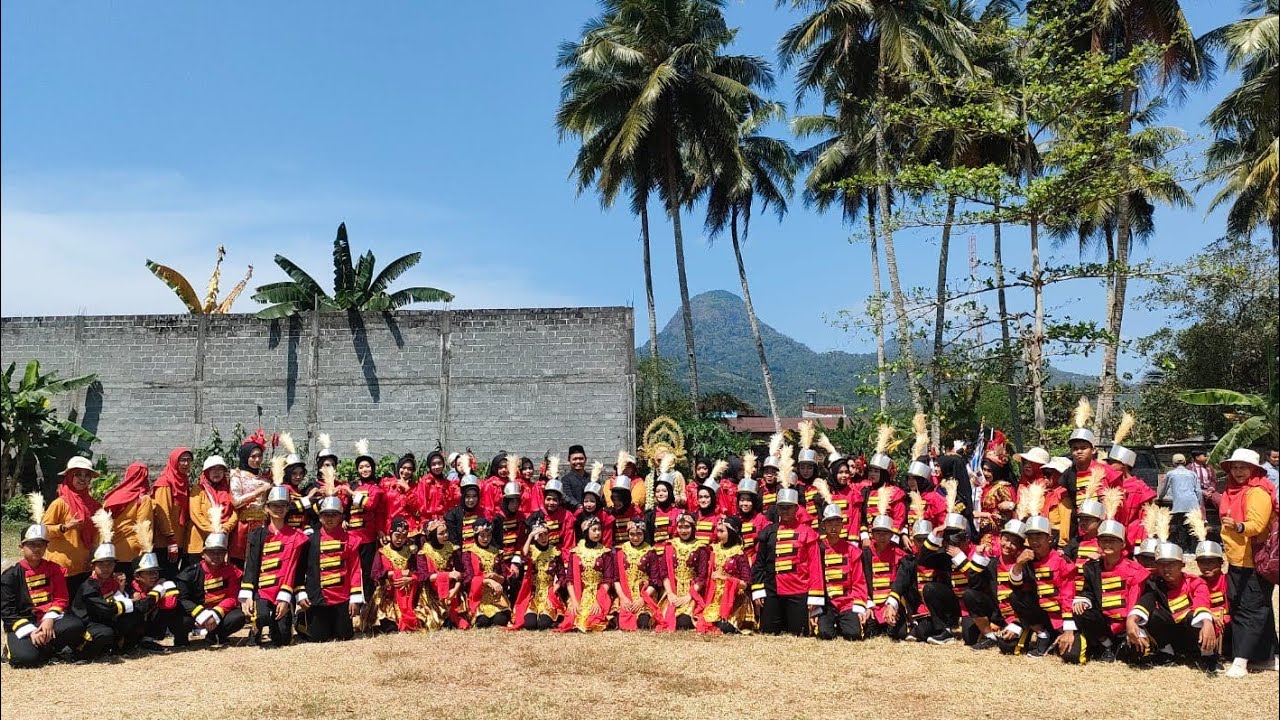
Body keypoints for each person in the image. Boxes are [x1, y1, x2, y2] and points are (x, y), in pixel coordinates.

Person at [1215, 448, 1277, 678]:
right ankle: (1267, 657)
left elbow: (1257, 525)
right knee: (1256, 607)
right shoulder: (1231, 491)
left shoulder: (1257, 492)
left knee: (1250, 610)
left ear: (1254, 470)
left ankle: (1241, 661)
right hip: (1236, 559)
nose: (1238, 471)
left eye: (1244, 467)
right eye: (1235, 467)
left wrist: (1239, 526)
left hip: (1253, 560)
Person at [1, 516, 87, 668]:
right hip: (24, 623)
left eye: (41, 544)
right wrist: (32, 631)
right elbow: (7, 612)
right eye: (32, 545)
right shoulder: (9, 576)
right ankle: (12, 648)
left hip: (48, 620)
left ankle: (44, 645)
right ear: (21, 546)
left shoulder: (55, 569)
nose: (37, 549)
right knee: (26, 659)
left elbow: (61, 598)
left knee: (75, 625)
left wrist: (49, 619)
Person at [1127, 542, 1219, 674]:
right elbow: (1146, 601)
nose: (1166, 569)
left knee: (1193, 616)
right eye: (1162, 564)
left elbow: (1202, 603)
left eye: (1171, 564)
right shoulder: (1155, 583)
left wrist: (1207, 622)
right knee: (1153, 615)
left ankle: (1207, 654)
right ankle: (1167, 652)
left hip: (1193, 634)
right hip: (1171, 634)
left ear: (1182, 565)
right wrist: (1131, 619)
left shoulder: (1194, 582)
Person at [751, 468, 823, 637]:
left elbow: (815, 567)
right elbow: (759, 563)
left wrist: (814, 597)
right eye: (782, 508)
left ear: (796, 508)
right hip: (772, 590)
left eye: (789, 508)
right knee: (769, 631)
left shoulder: (807, 532)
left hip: (799, 591)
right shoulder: (768, 532)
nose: (785, 511)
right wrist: (759, 589)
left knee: (799, 633)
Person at [239, 482, 305, 647]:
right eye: (274, 505)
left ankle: (284, 623)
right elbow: (252, 566)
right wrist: (247, 595)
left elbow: (295, 570)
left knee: (282, 639)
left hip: (284, 591)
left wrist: (288, 598)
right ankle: (256, 627)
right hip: (263, 590)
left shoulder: (298, 536)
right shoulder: (258, 535)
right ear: (267, 508)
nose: (279, 509)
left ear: (288, 508)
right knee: (262, 617)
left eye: (283, 505)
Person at [72, 515, 149, 658]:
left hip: (105, 619)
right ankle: (82, 653)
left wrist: (121, 590)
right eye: (101, 564)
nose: (106, 568)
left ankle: (120, 648)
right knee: (106, 632)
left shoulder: (112, 581)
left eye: (110, 564)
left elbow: (114, 603)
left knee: (134, 618)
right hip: (90, 623)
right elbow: (106, 609)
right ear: (93, 566)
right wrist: (132, 602)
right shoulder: (88, 586)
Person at [1008, 514, 1082, 662]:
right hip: (1042, 615)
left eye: (1039, 537)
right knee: (1016, 597)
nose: (1034, 541)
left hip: (1061, 616)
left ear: (1049, 538)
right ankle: (1042, 634)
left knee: (1071, 655)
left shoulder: (1061, 561)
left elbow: (1068, 594)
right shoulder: (1027, 560)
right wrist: (1018, 564)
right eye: (1031, 537)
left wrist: (1068, 629)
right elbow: (1016, 586)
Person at [1075, 514, 1149, 661]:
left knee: (1137, 657)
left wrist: (1131, 624)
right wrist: (1083, 600)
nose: (1107, 544)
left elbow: (1135, 599)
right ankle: (1106, 644)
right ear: (1098, 543)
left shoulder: (1135, 570)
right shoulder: (1091, 567)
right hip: (1103, 622)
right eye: (1104, 540)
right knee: (1081, 611)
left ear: (1122, 544)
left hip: (1127, 622)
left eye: (1113, 541)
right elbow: (1088, 591)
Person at [297, 492, 363, 642]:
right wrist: (300, 593)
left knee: (344, 636)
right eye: (326, 515)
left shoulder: (350, 540)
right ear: (320, 517)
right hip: (318, 597)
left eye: (334, 514)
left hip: (342, 597)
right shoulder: (310, 540)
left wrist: (355, 599)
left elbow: (355, 570)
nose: (330, 518)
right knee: (318, 638)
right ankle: (302, 619)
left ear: (341, 517)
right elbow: (300, 570)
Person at [175, 525, 246, 647]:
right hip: (195, 613)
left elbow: (233, 597)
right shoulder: (190, 573)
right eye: (212, 552)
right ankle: (181, 639)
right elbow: (182, 599)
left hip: (219, 613)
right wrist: (202, 615)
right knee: (180, 619)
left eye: (220, 552)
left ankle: (216, 635)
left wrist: (216, 613)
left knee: (238, 617)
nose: (216, 556)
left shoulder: (232, 571)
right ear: (203, 554)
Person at [41, 456, 103, 596]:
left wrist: (94, 557)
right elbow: (43, 530)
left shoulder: (94, 505)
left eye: (87, 475)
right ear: (69, 476)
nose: (83, 479)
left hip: (85, 567)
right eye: (78, 474)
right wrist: (64, 527)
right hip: (62, 568)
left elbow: (98, 536)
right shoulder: (60, 503)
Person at [369, 517, 433, 633]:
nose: (400, 540)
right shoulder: (382, 552)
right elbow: (375, 574)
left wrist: (410, 579)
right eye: (397, 536)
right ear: (391, 533)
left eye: (404, 537)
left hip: (409, 594)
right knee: (390, 627)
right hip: (388, 596)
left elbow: (419, 573)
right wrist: (394, 574)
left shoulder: (411, 552)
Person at [815, 505, 868, 641]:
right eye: (830, 522)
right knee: (825, 635)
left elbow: (859, 581)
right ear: (823, 525)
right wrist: (814, 607)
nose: (833, 527)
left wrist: (859, 607)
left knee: (853, 635)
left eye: (837, 523)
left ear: (842, 525)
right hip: (826, 603)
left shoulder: (852, 550)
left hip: (846, 603)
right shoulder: (817, 548)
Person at [128, 528, 182, 651]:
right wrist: (158, 590)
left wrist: (163, 588)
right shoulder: (128, 589)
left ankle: (148, 640)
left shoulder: (163, 584)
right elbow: (143, 607)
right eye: (149, 573)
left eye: (156, 572)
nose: (154, 576)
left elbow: (170, 605)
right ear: (137, 576)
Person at [696, 516, 752, 634]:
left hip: (734, 599)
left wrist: (725, 578)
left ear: (731, 533)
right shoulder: (714, 549)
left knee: (724, 627)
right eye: (718, 530)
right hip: (715, 598)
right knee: (705, 623)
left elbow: (746, 584)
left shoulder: (739, 554)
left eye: (722, 531)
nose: (718, 534)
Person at [558, 516, 614, 632]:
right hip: (580, 593)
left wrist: (598, 600)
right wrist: (573, 601)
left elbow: (608, 580)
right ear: (585, 531)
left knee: (594, 619)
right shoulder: (575, 552)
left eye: (599, 529)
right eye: (594, 530)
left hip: (600, 593)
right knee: (574, 617)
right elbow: (569, 580)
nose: (597, 533)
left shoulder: (605, 553)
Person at [861, 511, 911, 640]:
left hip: (891, 603)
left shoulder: (901, 556)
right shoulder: (864, 554)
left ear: (891, 535)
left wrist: (893, 605)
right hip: (871, 604)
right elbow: (860, 581)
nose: (882, 537)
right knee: (868, 633)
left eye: (886, 533)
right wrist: (867, 604)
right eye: (878, 533)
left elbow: (901, 584)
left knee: (898, 634)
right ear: (872, 534)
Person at [101, 462, 153, 583]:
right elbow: (144, 526)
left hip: (112, 552)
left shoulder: (112, 496)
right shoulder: (143, 499)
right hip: (133, 553)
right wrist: (146, 551)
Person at [458, 518, 513, 629]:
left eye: (488, 536)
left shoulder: (497, 552)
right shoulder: (469, 553)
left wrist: (496, 577)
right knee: (482, 622)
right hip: (478, 596)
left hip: (496, 597)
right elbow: (468, 578)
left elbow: (505, 578)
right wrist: (487, 580)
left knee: (500, 620)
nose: (485, 539)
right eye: (482, 535)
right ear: (476, 536)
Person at [511, 522, 564, 631]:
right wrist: (530, 536)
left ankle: (551, 617)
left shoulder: (555, 552)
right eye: (540, 535)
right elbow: (523, 555)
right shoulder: (531, 550)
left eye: (545, 534)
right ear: (535, 537)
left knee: (542, 625)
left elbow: (562, 575)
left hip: (549, 593)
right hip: (533, 593)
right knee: (530, 625)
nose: (543, 538)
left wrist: (555, 588)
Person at [614, 518, 664, 631]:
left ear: (644, 534)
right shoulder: (621, 551)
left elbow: (655, 580)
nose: (635, 538)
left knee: (643, 623)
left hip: (645, 595)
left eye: (639, 534)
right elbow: (616, 579)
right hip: (625, 595)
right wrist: (622, 598)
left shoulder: (650, 552)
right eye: (632, 534)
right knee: (617, 621)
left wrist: (642, 599)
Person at [150, 447, 192, 577]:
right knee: (165, 579)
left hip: (178, 541)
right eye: (182, 460)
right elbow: (162, 513)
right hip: (165, 543)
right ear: (174, 461)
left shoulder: (183, 481)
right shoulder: (165, 482)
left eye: (189, 460)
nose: (186, 464)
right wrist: (170, 539)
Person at [662, 513, 707, 631]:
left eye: (687, 527)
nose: (683, 530)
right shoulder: (670, 545)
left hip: (692, 591)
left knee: (684, 622)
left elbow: (702, 576)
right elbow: (664, 573)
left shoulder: (700, 547)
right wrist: (670, 593)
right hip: (673, 589)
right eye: (680, 527)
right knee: (665, 618)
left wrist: (689, 596)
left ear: (693, 528)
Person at [187, 455, 238, 561]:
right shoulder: (198, 490)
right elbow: (195, 514)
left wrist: (225, 528)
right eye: (213, 469)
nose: (216, 472)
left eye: (220, 469)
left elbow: (235, 511)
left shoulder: (230, 490)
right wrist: (213, 529)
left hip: (223, 538)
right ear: (206, 472)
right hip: (200, 541)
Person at [229, 438, 271, 565]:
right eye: (253, 456)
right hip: (244, 526)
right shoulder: (237, 476)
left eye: (259, 456)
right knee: (240, 563)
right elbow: (236, 502)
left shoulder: (265, 477)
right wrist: (258, 492)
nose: (257, 460)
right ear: (245, 457)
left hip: (262, 525)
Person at [1159, 454, 1203, 553]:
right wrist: (1199, 504)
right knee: (1193, 527)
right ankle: (1194, 550)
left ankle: (1184, 550)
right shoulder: (1192, 474)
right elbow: (1199, 491)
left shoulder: (1171, 474)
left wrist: (1160, 498)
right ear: (1184, 462)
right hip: (1193, 504)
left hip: (1179, 505)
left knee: (1181, 528)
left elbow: (1164, 489)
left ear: (1173, 463)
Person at [526, 477, 576, 557]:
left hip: (559, 557)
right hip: (539, 556)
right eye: (548, 499)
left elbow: (568, 542)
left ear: (559, 501)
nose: (551, 503)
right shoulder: (536, 516)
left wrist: (565, 562)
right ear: (544, 499)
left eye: (555, 500)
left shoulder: (567, 516)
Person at [445, 461, 485, 550]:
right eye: (467, 496)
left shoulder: (483, 513)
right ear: (462, 496)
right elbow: (453, 542)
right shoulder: (453, 515)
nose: (471, 500)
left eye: (474, 496)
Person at [606, 476, 645, 549]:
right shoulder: (611, 512)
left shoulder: (636, 512)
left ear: (626, 498)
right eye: (614, 500)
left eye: (619, 500)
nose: (616, 503)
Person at [560, 445, 591, 511]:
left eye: (581, 459)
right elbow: (568, 497)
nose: (578, 462)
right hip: (573, 515)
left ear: (585, 459)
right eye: (574, 459)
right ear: (569, 460)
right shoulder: (565, 480)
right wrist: (578, 506)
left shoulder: (592, 479)